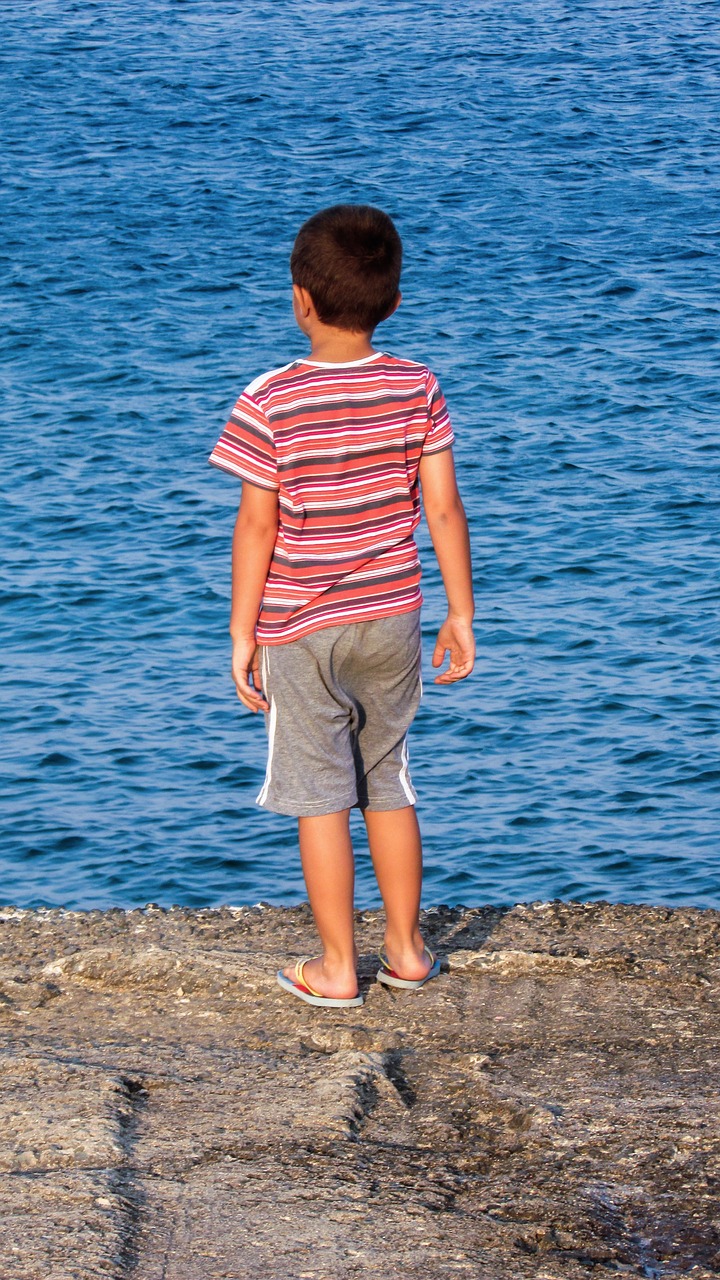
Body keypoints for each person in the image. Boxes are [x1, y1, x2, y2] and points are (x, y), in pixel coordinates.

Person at [209, 204, 474, 1008]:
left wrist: (240, 629)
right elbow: (444, 508)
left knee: (319, 795)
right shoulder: (417, 384)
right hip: (393, 616)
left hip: (300, 625)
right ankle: (406, 950)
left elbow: (257, 523)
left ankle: (335, 968)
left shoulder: (269, 400)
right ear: (391, 302)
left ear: (300, 299)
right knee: (387, 778)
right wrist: (460, 613)